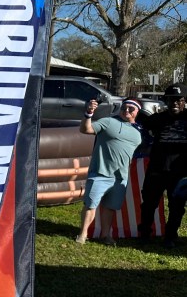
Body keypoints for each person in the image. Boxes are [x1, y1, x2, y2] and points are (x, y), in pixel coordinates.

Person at [75, 98, 144, 245]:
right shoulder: (108, 122)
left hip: (120, 178)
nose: (126, 111)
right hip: (100, 172)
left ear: (137, 111)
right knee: (91, 205)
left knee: (110, 208)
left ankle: (105, 235)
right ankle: (82, 234)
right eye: (124, 107)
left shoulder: (139, 131)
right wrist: (89, 113)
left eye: (131, 109)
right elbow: (85, 129)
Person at [136, 84, 187, 247]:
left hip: (179, 172)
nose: (174, 103)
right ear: (166, 101)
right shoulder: (157, 119)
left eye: (178, 100)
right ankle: (144, 235)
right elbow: (136, 123)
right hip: (156, 170)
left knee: (177, 206)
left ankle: (170, 237)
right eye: (171, 100)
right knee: (149, 204)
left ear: (184, 101)